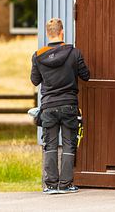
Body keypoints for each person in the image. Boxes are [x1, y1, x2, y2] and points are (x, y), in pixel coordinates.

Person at [31, 18, 90, 194]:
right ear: (62, 32)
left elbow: (35, 81)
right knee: (68, 144)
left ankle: (50, 185)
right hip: (69, 105)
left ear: (48, 33)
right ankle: (65, 185)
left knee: (49, 144)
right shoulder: (74, 53)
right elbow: (86, 75)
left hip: (48, 106)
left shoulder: (38, 56)